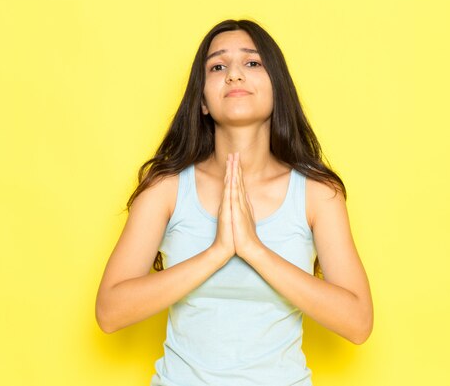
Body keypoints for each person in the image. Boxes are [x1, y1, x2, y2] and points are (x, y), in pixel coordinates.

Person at [95, 19, 373, 386]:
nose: (234, 75)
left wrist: (254, 249)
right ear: (203, 102)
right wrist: (219, 250)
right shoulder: (166, 187)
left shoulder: (318, 193)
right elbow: (110, 312)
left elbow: (357, 323)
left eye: (252, 63)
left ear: (278, 89)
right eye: (218, 66)